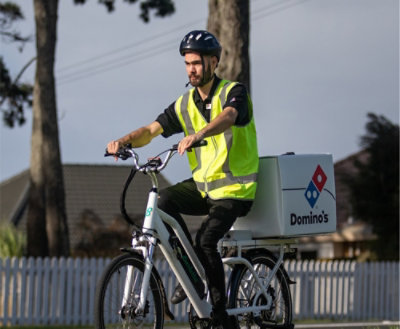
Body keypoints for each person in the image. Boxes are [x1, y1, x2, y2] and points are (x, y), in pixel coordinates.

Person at [107, 30, 259, 329]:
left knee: (206, 240)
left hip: (235, 189)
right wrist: (123, 140)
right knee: (163, 202)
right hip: (204, 187)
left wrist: (199, 134)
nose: (191, 69)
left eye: (198, 63)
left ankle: (219, 315)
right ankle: (192, 275)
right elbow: (151, 130)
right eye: (187, 63)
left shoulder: (234, 92)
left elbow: (229, 116)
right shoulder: (184, 103)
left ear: (213, 63)